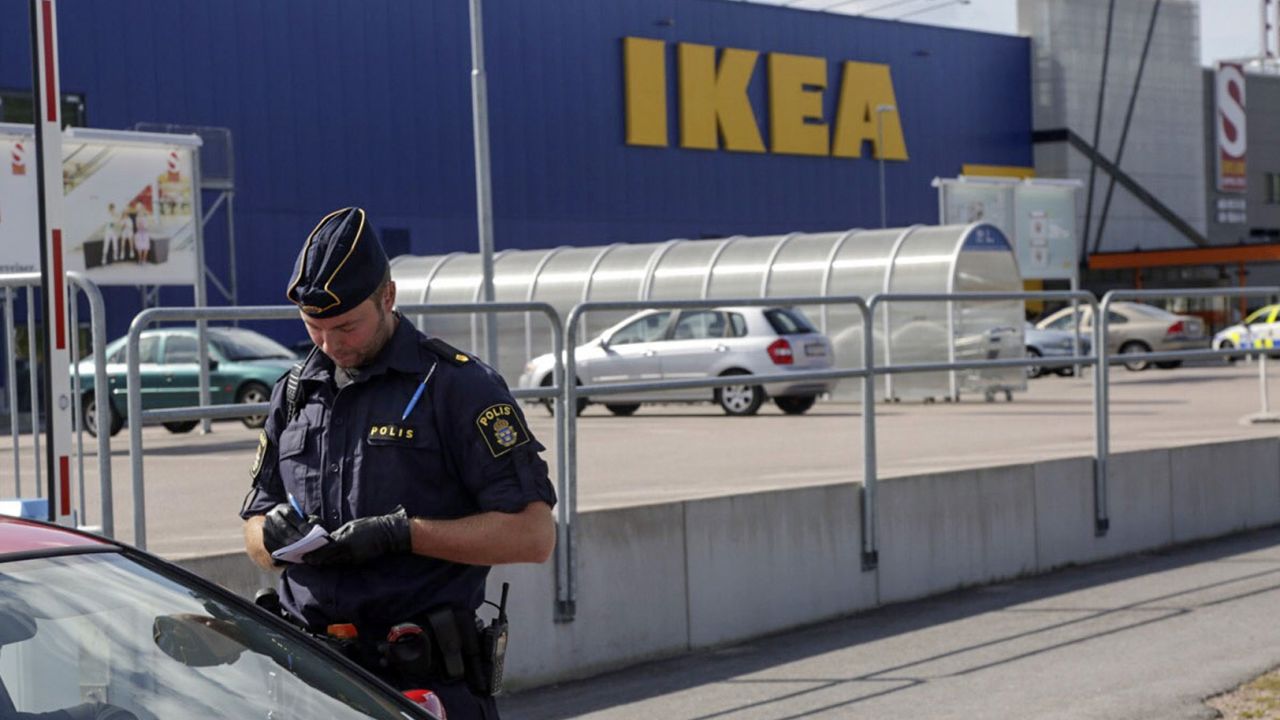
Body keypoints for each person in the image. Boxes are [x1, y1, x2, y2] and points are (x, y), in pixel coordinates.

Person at [240, 207, 555, 719]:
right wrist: (268, 538)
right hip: (310, 685)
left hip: (420, 688)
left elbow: (534, 536)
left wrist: (402, 533)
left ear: (388, 296)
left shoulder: (458, 388)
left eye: (346, 326)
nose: (330, 344)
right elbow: (255, 524)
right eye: (313, 327)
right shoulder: (296, 393)